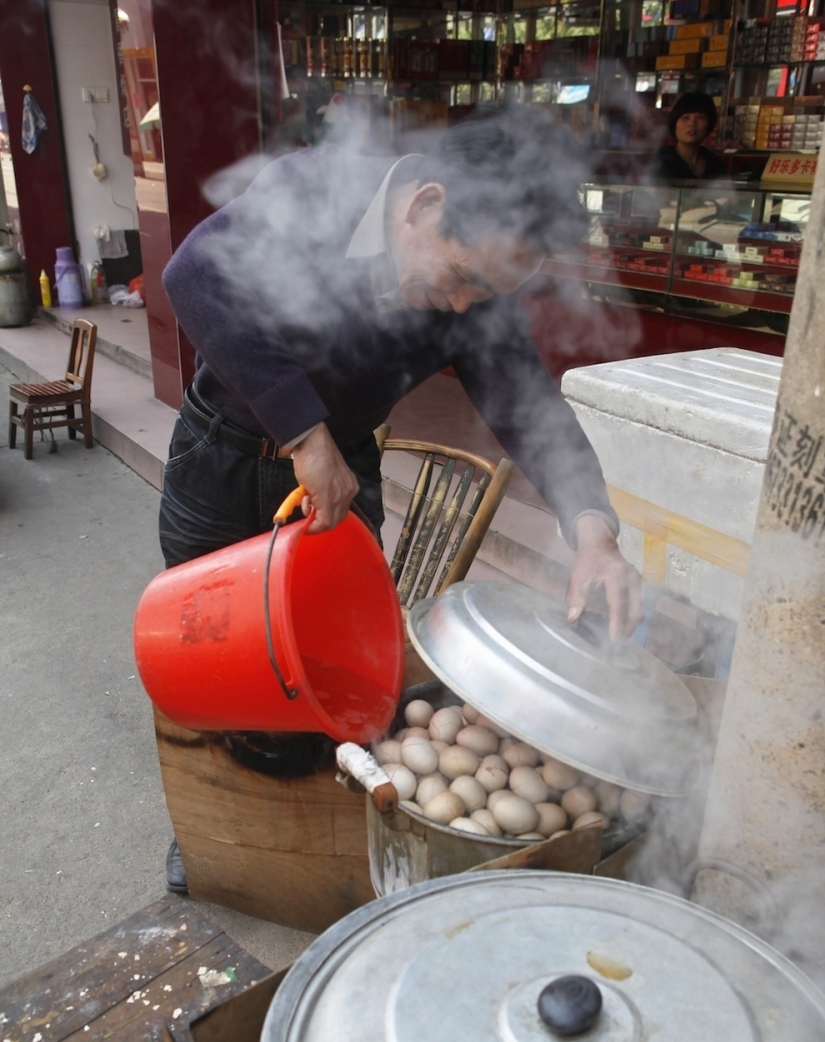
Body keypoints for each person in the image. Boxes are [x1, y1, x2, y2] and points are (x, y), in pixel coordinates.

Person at [158, 102, 644, 893]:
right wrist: (304, 434)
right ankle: (214, 829)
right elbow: (195, 276)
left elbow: (525, 400)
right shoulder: (313, 192)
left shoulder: (469, 293)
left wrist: (593, 529)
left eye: (482, 293)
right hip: (225, 457)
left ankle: (319, 818)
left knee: (334, 660)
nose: (462, 307)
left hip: (341, 474)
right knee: (213, 659)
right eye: (461, 279)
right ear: (424, 206)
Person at [651, 91, 728, 182]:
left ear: (709, 124)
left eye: (700, 117)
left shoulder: (713, 164)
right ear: (675, 123)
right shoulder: (661, 162)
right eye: (686, 117)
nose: (692, 124)